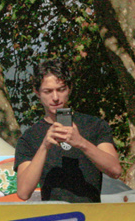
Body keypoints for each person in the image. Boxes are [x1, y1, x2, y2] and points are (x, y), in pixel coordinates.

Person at [14, 59, 122, 203]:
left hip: (91, 217)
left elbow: (115, 170)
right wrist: (44, 146)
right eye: (48, 91)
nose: (55, 98)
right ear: (37, 93)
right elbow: (23, 192)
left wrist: (81, 143)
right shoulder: (29, 137)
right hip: (53, 220)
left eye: (61, 89)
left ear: (69, 88)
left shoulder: (94, 125)